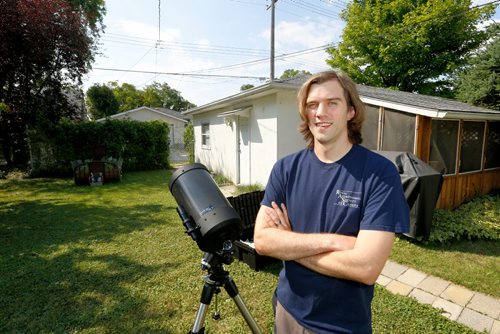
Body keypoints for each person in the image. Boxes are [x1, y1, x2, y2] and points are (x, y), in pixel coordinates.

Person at [253, 70, 410, 334]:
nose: (320, 112)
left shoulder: (379, 173)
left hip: (341, 325)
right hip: (287, 311)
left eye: (332, 103)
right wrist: (334, 242)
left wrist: (289, 244)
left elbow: (366, 267)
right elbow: (263, 241)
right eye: (312, 105)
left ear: (350, 111)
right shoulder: (286, 169)